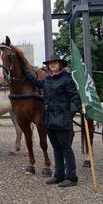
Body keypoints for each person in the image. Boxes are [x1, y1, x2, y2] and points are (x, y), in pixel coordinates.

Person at [22, 53, 82, 188]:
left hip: (62, 117)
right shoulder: (48, 79)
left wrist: (80, 108)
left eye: (55, 62)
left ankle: (72, 177)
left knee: (66, 148)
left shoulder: (66, 79)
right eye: (50, 63)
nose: (52, 64)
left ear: (60, 64)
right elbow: (36, 82)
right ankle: (59, 175)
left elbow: (74, 95)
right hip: (49, 118)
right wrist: (25, 69)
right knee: (56, 148)